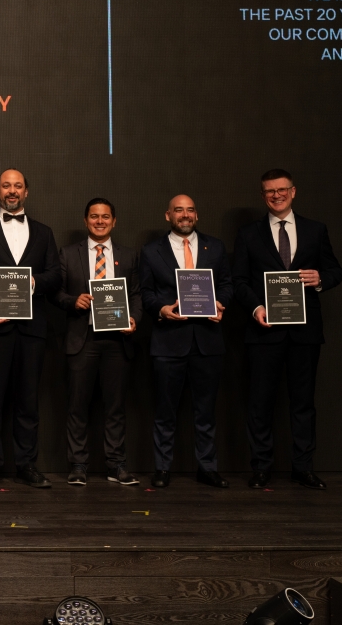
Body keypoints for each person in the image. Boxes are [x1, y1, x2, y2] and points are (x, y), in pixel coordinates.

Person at [233, 169, 342, 490]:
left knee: (303, 403)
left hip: (305, 331)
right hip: (263, 330)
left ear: (293, 192)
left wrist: (320, 279)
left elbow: (335, 270)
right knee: (260, 403)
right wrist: (256, 308)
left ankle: (303, 468)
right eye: (270, 191)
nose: (276, 195)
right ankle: (261, 467)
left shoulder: (315, 230)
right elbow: (239, 281)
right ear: (263, 195)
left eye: (282, 189)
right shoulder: (248, 234)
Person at [0, 169, 61, 489]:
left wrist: (32, 282)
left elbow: (55, 275)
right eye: (6, 186)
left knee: (28, 401)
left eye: (18, 186)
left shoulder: (44, 232)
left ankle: (27, 464)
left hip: (32, 329)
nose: (12, 191)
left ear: (26, 192)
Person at [139, 194, 232, 489]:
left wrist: (220, 303)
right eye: (178, 210)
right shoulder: (151, 251)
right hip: (169, 341)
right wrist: (161, 309)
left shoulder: (215, 247)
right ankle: (162, 468)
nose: (185, 215)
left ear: (197, 215)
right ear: (168, 215)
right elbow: (146, 292)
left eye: (190, 210)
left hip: (207, 340)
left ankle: (208, 468)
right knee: (165, 411)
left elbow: (227, 284)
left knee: (206, 411)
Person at [54, 198, 142, 486]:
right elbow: (56, 293)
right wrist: (73, 300)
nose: (100, 221)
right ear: (86, 220)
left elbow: (136, 295)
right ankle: (78, 465)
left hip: (117, 340)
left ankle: (116, 465)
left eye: (105, 217)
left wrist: (134, 319)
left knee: (115, 407)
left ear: (114, 221)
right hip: (83, 338)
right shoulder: (69, 253)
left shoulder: (129, 256)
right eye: (94, 216)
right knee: (77, 406)